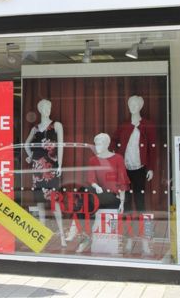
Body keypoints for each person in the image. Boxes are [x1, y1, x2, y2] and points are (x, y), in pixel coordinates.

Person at [112, 95, 157, 254]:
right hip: (125, 169)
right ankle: (129, 239)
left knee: (141, 204)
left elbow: (152, 148)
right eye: (130, 104)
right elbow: (114, 143)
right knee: (127, 205)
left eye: (136, 104)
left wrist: (150, 167)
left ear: (141, 106)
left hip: (140, 168)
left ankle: (145, 240)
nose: (133, 106)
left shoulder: (148, 125)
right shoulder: (124, 126)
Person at [73, 133, 129, 253]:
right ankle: (84, 234)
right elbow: (91, 178)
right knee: (82, 194)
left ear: (107, 144)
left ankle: (83, 234)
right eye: (96, 143)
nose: (97, 146)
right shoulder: (93, 160)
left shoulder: (117, 158)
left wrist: (122, 202)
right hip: (98, 195)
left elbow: (122, 180)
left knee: (84, 195)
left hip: (112, 197)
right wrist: (96, 186)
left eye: (100, 143)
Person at [24, 99, 66, 246]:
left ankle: (62, 236)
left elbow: (61, 145)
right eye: (45, 107)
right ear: (40, 109)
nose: (47, 110)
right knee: (40, 203)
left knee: (55, 202)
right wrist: (29, 155)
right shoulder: (35, 128)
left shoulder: (56, 125)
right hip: (37, 169)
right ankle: (41, 236)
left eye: (49, 107)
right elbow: (26, 144)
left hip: (51, 168)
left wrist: (60, 164)